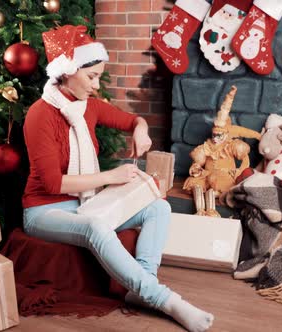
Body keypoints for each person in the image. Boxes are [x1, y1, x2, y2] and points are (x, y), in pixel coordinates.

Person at [21, 25, 214, 332]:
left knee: (159, 207)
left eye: (99, 76)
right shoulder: (39, 115)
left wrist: (141, 129)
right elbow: (53, 185)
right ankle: (165, 299)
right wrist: (112, 177)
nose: (96, 85)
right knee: (96, 227)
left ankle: (141, 287)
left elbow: (133, 120)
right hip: (44, 210)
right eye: (92, 76)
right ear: (68, 71)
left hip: (85, 204)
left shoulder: (90, 107)